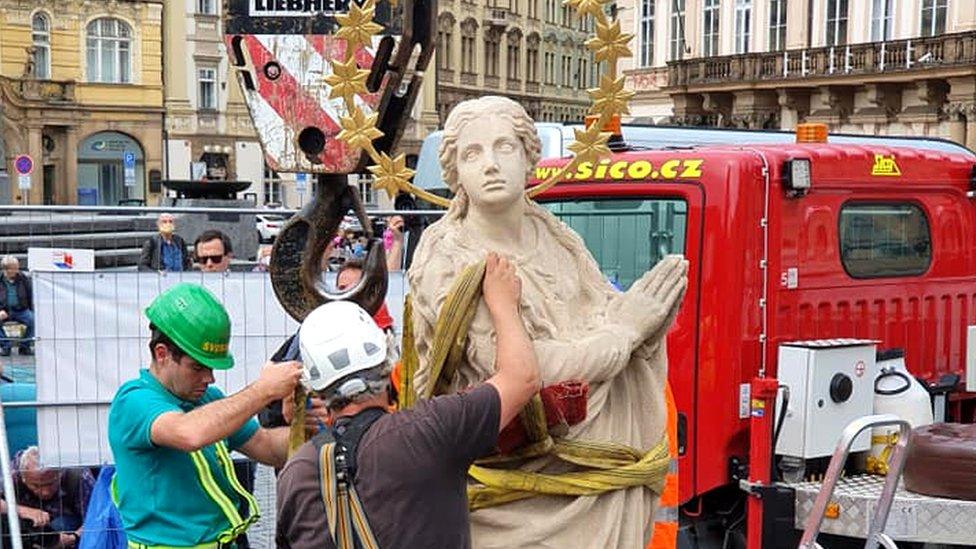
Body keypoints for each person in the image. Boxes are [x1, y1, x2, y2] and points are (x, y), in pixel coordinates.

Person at [407, 96, 687, 548]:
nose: (491, 165)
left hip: (598, 476)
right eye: (472, 154)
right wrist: (627, 332)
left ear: (529, 158)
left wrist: (643, 319)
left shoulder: (557, 237)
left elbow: (596, 312)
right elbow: (520, 372)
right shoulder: (445, 258)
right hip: (514, 496)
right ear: (454, 172)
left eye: (504, 147)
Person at [276, 253, 539, 549]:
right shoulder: (430, 430)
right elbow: (522, 378)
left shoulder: (295, 476)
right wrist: (503, 303)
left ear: (314, 389)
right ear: (387, 359)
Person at [107, 283, 303, 548]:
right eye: (197, 367)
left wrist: (309, 430)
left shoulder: (207, 399)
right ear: (162, 354)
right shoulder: (133, 401)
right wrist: (264, 390)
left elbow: (267, 447)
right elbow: (189, 433)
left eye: (211, 367)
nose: (209, 378)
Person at [0, 447, 94, 548]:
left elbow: (97, 520)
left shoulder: (78, 477)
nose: (45, 492)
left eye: (51, 483)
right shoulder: (12, 472)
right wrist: (24, 511)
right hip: (25, 527)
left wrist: (73, 538)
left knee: (59, 525)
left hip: (67, 527)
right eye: (36, 486)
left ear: (60, 474)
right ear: (23, 478)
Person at [0, 256, 33, 357]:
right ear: (6, 269)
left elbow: (30, 294)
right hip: (4, 310)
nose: (17, 270)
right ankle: (6, 346)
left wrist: (31, 310)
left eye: (17, 267)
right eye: (14, 268)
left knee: (33, 320)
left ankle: (24, 346)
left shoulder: (23, 278)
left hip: (21, 310)